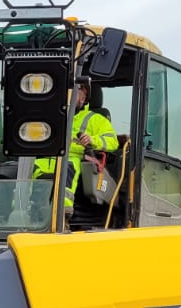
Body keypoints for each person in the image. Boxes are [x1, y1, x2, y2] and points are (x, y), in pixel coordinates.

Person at [31, 80, 119, 219]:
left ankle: (62, 214)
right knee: (28, 169)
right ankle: (21, 212)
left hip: (75, 158)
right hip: (47, 157)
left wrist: (92, 140)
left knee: (67, 168)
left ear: (85, 96)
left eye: (79, 92)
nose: (73, 95)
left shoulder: (96, 119)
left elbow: (112, 142)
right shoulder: (54, 115)